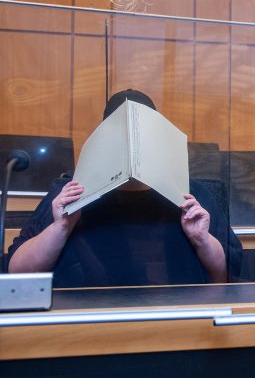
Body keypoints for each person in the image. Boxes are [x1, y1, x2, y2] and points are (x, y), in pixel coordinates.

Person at [7, 90, 243, 287]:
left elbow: (225, 277)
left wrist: (202, 240)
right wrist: (61, 227)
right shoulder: (69, 192)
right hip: (81, 315)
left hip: (176, 313)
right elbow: (17, 274)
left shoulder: (191, 194)